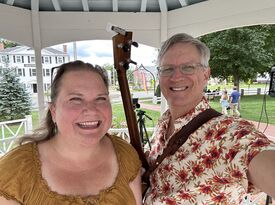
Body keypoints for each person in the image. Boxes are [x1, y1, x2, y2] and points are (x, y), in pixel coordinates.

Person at [143, 33, 275, 204]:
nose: (176, 77)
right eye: (167, 69)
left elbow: (257, 153)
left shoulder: (230, 134)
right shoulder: (163, 124)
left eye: (188, 67)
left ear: (206, 74)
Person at [0, 60, 142, 205]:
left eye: (100, 98)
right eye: (75, 99)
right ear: (54, 111)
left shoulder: (126, 156)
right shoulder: (13, 172)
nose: (91, 110)